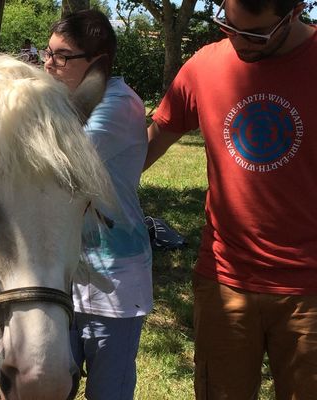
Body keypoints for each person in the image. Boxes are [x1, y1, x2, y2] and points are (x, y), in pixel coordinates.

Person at [145, 0, 317, 398]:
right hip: (225, 282)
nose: (237, 40)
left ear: (294, 12)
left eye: (254, 34)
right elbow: (147, 146)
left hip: (309, 290)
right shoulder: (204, 66)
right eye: (227, 25)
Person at [41, 10, 153, 399]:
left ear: (98, 63)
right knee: (52, 385)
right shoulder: (60, 101)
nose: (48, 63)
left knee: (108, 391)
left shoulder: (119, 105)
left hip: (113, 284)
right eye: (47, 52)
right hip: (65, 276)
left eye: (62, 56)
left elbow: (59, 161)